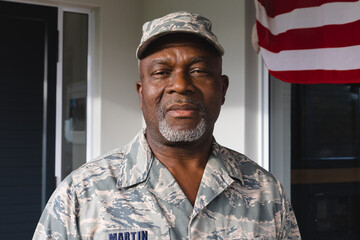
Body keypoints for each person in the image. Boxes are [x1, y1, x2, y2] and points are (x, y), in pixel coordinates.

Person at [33, 11, 301, 239]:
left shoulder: (264, 192)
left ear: (222, 89)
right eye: (161, 72)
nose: (180, 85)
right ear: (141, 93)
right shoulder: (81, 195)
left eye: (198, 71)